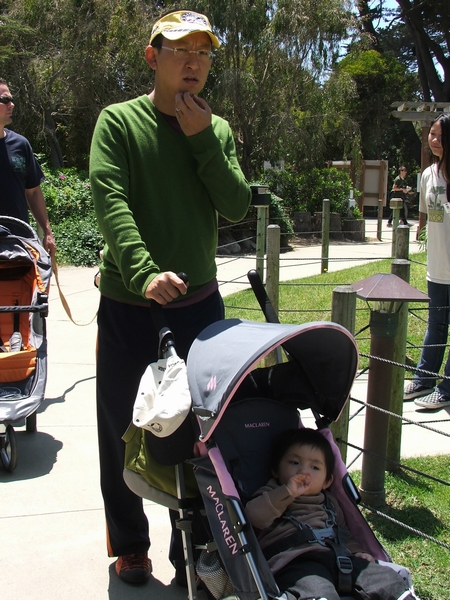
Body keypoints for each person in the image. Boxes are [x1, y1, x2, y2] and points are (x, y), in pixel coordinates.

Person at [89, 10, 251, 585]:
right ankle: (131, 545)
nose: (193, 63)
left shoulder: (216, 128)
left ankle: (196, 548)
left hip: (199, 309)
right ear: (152, 57)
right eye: (181, 50)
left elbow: (236, 205)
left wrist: (201, 139)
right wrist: (142, 272)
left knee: (201, 433)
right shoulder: (119, 123)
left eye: (203, 52)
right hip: (130, 306)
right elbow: (110, 201)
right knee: (121, 428)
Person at [246, 428, 416, 600]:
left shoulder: (330, 502)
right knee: (316, 588)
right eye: (294, 463)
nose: (303, 472)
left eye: (314, 467)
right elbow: (253, 517)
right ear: (275, 470)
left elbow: (344, 534)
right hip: (295, 562)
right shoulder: (271, 493)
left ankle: (401, 595)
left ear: (327, 481)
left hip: (338, 558)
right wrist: (287, 491)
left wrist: (357, 552)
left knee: (382, 578)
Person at [404, 113, 450, 410]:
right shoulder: (427, 175)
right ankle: (424, 379)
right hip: (438, 267)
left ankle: (447, 388)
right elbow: (429, 219)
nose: (434, 140)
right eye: (432, 134)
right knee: (436, 325)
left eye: (440, 135)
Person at [0, 78, 56, 257]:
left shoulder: (20, 144)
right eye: (5, 100)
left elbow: (33, 192)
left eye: (11, 99)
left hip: (18, 245)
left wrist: (47, 233)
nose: (11, 104)